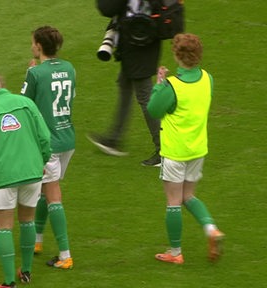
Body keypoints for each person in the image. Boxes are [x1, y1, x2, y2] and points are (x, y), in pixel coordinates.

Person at [147, 33, 225, 264]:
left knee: (173, 201)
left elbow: (154, 110)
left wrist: (160, 84)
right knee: (188, 196)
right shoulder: (207, 79)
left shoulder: (173, 85)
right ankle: (211, 229)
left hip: (175, 151)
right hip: (198, 149)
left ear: (177, 55)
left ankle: (175, 252)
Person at [0, 68, 51, 288]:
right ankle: (26, 271)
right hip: (32, 173)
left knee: (4, 227)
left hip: (2, 177)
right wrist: (41, 162)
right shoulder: (27, 103)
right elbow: (44, 137)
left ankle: (8, 282)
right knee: (27, 221)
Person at [20, 26, 75, 270]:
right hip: (67, 138)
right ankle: (38, 241)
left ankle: (65, 255)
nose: (31, 45)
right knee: (45, 189)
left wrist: (29, 74)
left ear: (39, 46)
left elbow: (23, 105)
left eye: (33, 42)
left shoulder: (36, 74)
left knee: (52, 195)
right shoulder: (69, 68)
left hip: (48, 143)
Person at [87, 0, 161, 167]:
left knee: (146, 97)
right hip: (145, 39)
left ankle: (164, 149)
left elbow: (107, 7)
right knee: (125, 86)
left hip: (137, 45)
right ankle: (114, 138)